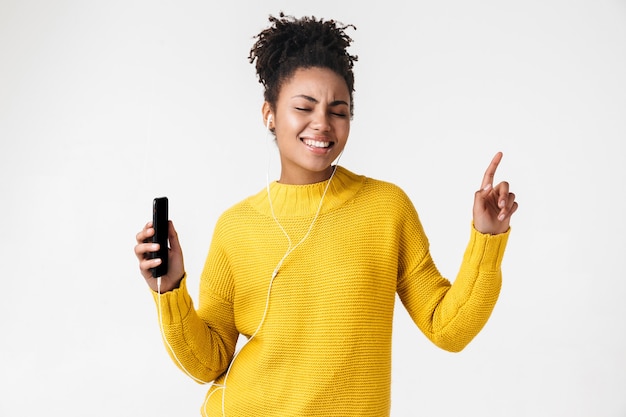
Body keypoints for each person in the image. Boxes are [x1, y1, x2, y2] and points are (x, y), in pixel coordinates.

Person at [134, 13, 518, 417]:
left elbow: (448, 328)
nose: (322, 123)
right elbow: (207, 364)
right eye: (304, 107)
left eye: (339, 111)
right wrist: (169, 287)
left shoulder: (386, 208)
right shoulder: (237, 227)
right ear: (269, 114)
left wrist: (486, 237)